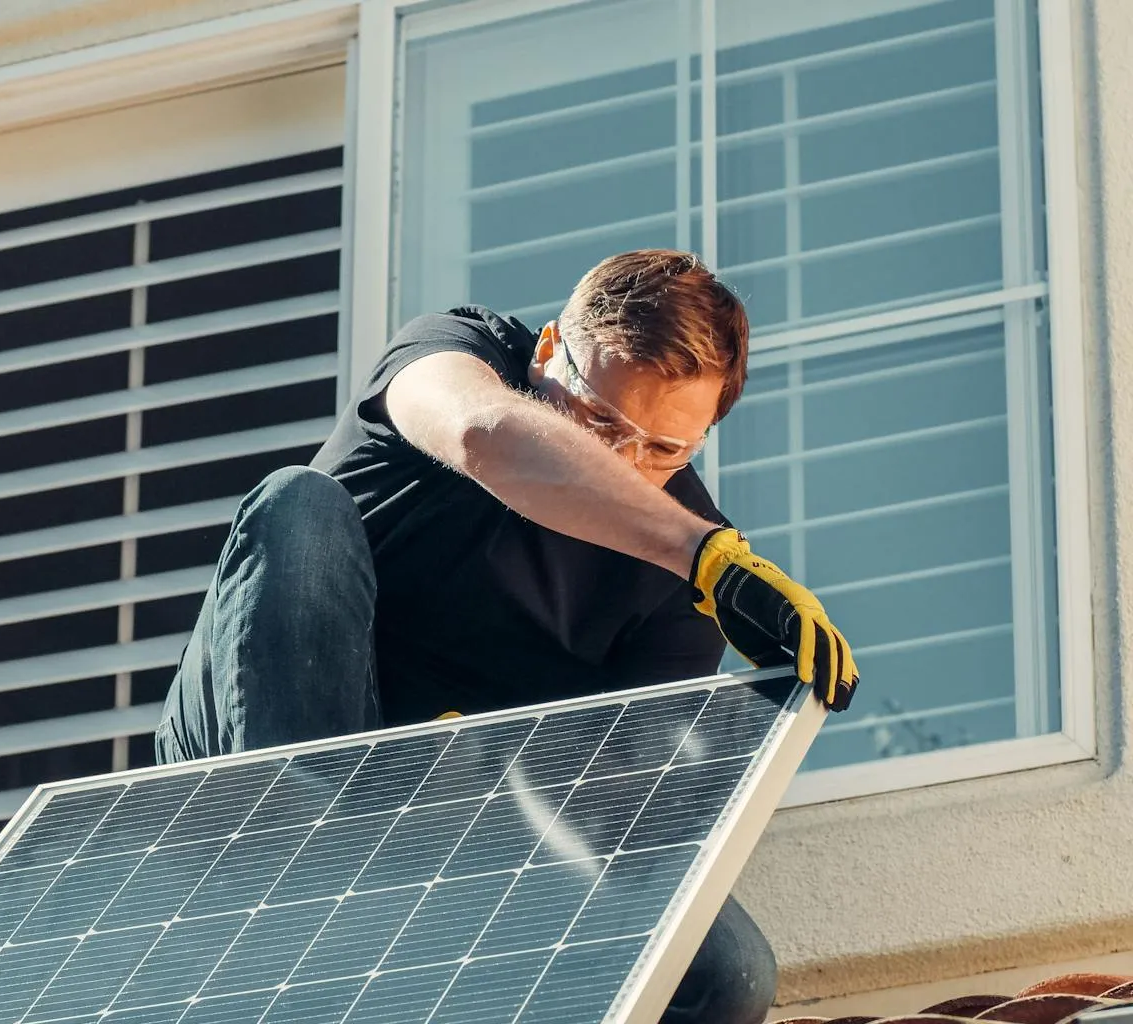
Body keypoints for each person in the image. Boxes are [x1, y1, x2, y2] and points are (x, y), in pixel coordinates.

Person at [154, 249, 858, 1024]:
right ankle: (311, 876)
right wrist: (703, 558)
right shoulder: (460, 351)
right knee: (298, 505)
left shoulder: (681, 584)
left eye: (665, 450)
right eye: (598, 422)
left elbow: (619, 828)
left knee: (727, 971)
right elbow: (481, 428)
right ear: (549, 351)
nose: (622, 460)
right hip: (275, 748)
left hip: (452, 833)